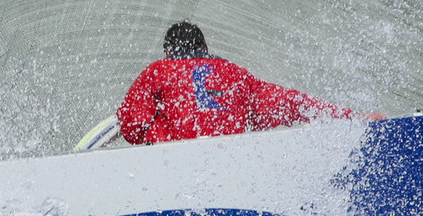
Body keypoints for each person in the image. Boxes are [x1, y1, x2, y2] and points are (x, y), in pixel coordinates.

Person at [117, 22, 370, 145]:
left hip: (176, 164)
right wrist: (351, 117)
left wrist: (161, 133)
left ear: (168, 52)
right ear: (204, 48)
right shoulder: (235, 75)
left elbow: (132, 125)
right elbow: (291, 105)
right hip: (233, 164)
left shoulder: (158, 71)